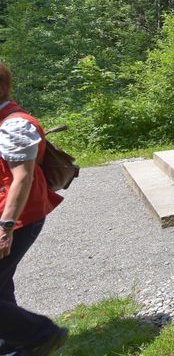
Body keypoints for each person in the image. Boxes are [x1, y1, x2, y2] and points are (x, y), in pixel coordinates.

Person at [0, 62, 69, 355]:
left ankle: (40, 334)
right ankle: (11, 342)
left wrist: (6, 228)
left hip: (18, 220)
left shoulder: (14, 123)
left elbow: (22, 177)